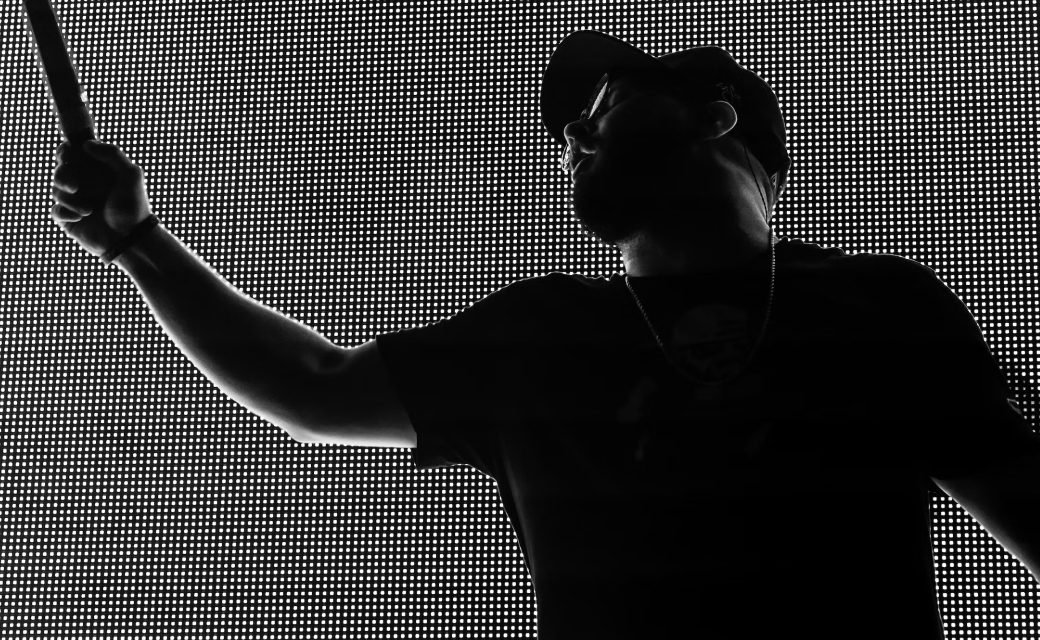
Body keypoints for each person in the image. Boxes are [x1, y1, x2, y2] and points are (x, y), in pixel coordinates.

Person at [48, 29, 1040, 640]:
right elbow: (313, 386)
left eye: (604, 105)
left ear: (714, 118)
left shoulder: (879, 306)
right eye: (568, 131)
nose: (572, 137)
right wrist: (136, 242)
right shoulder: (541, 334)